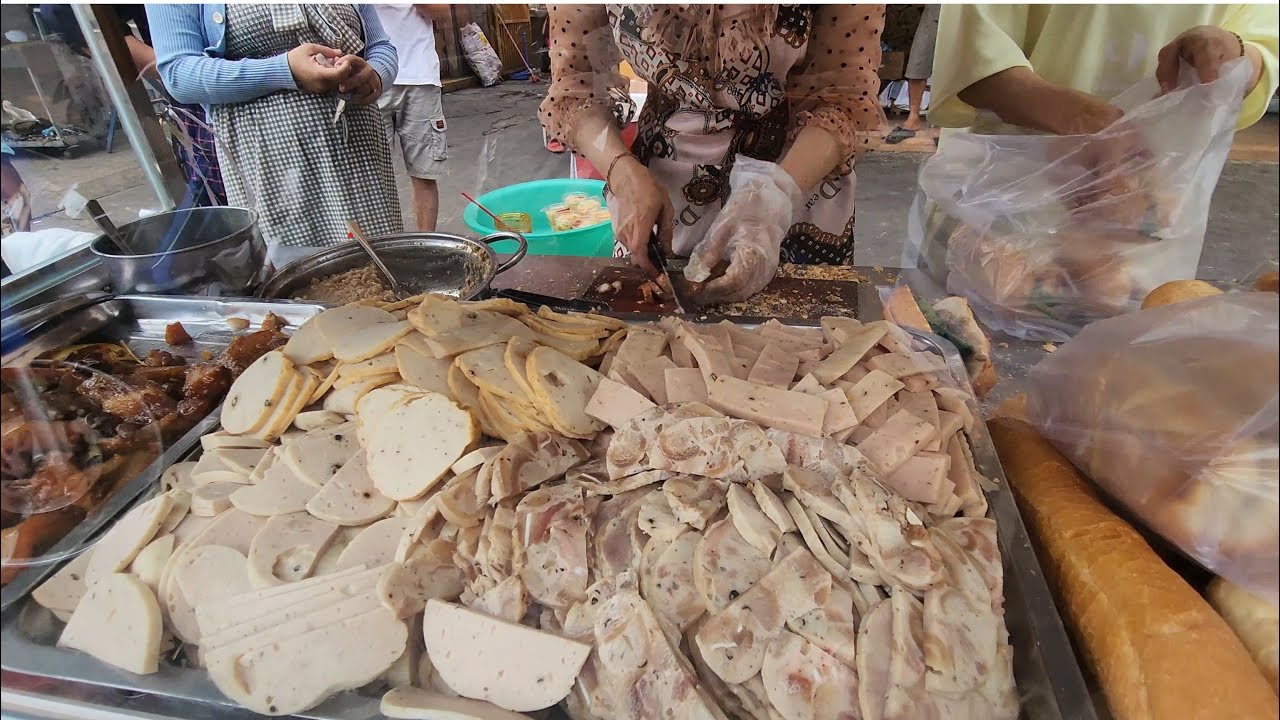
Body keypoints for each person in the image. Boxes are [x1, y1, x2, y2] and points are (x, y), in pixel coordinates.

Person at [539, 5, 885, 304]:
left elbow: (844, 95)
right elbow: (577, 86)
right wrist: (620, 170)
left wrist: (775, 196)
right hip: (660, 195)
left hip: (797, 179)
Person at [911, 4, 1279, 277]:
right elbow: (973, 56)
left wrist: (1232, 54)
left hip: (1142, 237)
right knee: (948, 370)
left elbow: (1262, 54)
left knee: (1126, 368)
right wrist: (1088, 121)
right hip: (1003, 224)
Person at [148, 4, 403, 265]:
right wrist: (285, 70)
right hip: (272, 164)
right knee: (300, 280)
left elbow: (380, 46)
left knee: (384, 272)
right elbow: (178, 74)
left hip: (359, 156)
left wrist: (374, 75)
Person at [38, 4, 227, 208]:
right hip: (207, 105)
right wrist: (179, 71)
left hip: (247, 80)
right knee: (229, 204)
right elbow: (65, 11)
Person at [373, 4, 447, 232]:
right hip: (370, 78)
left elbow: (441, 11)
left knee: (424, 174)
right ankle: (379, 256)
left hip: (420, 76)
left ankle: (425, 249)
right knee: (372, 180)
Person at [902, 5, 938, 134]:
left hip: (963, 11)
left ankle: (942, 121)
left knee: (951, 64)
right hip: (935, 9)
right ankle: (913, 116)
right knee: (919, 58)